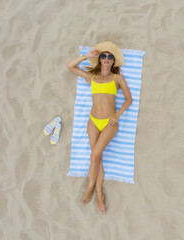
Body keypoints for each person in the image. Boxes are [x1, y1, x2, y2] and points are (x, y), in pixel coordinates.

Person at [66, 41, 132, 214]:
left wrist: (117, 115)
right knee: (97, 157)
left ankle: (92, 189)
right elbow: (70, 66)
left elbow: (128, 99)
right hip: (93, 121)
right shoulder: (92, 77)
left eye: (110, 57)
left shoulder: (117, 78)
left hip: (110, 123)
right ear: (100, 59)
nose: (107, 58)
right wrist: (87, 56)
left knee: (94, 155)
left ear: (113, 61)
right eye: (104, 55)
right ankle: (98, 193)